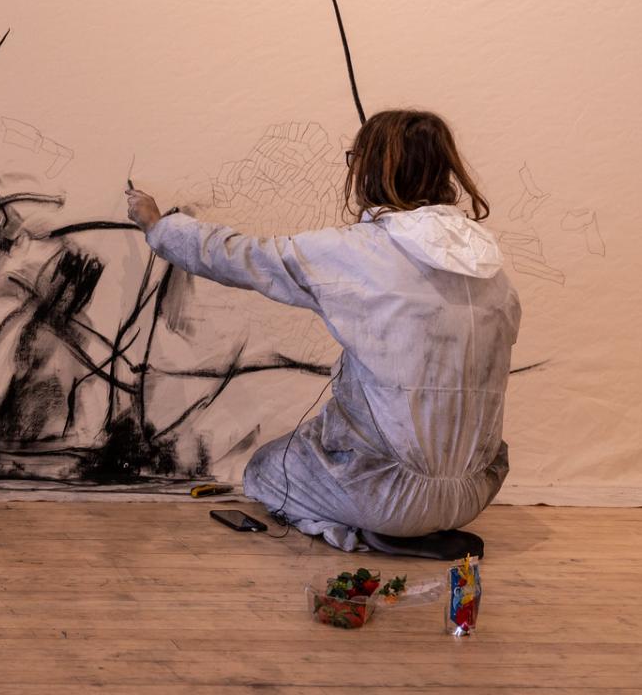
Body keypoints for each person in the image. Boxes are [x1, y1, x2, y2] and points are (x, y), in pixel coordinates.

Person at [125, 109, 517, 558]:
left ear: (374, 168)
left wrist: (158, 225)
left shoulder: (357, 251)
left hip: (386, 496)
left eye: (356, 158)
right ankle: (404, 526)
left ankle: (368, 532)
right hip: (475, 491)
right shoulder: (490, 265)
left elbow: (244, 257)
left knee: (263, 472)